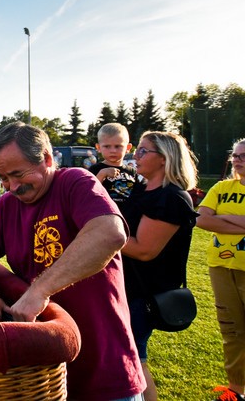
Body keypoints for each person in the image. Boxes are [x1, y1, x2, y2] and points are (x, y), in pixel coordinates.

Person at [0, 122, 145, 400]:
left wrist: (38, 291)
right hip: (44, 375)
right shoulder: (6, 205)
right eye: (2, 178)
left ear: (47, 159)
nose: (11, 187)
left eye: (17, 174)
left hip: (103, 369)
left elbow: (110, 233)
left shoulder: (75, 181)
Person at [119, 131, 198, 401]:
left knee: (134, 361)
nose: (134, 156)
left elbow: (143, 250)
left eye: (143, 151)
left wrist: (102, 235)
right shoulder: (142, 189)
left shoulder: (171, 198)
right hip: (127, 288)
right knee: (129, 358)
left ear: (164, 158)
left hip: (144, 292)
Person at [196, 138, 245, 401]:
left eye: (243, 156)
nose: (237, 160)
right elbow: (201, 220)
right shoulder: (221, 187)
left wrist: (221, 218)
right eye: (235, 155)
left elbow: (212, 218)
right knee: (231, 329)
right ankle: (236, 389)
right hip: (221, 266)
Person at [90, 123, 144, 206]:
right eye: (107, 146)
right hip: (104, 215)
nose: (113, 150)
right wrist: (102, 175)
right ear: (98, 148)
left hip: (128, 216)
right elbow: (88, 193)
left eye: (118, 146)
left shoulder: (132, 171)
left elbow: (139, 196)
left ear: (128, 148)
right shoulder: (95, 169)